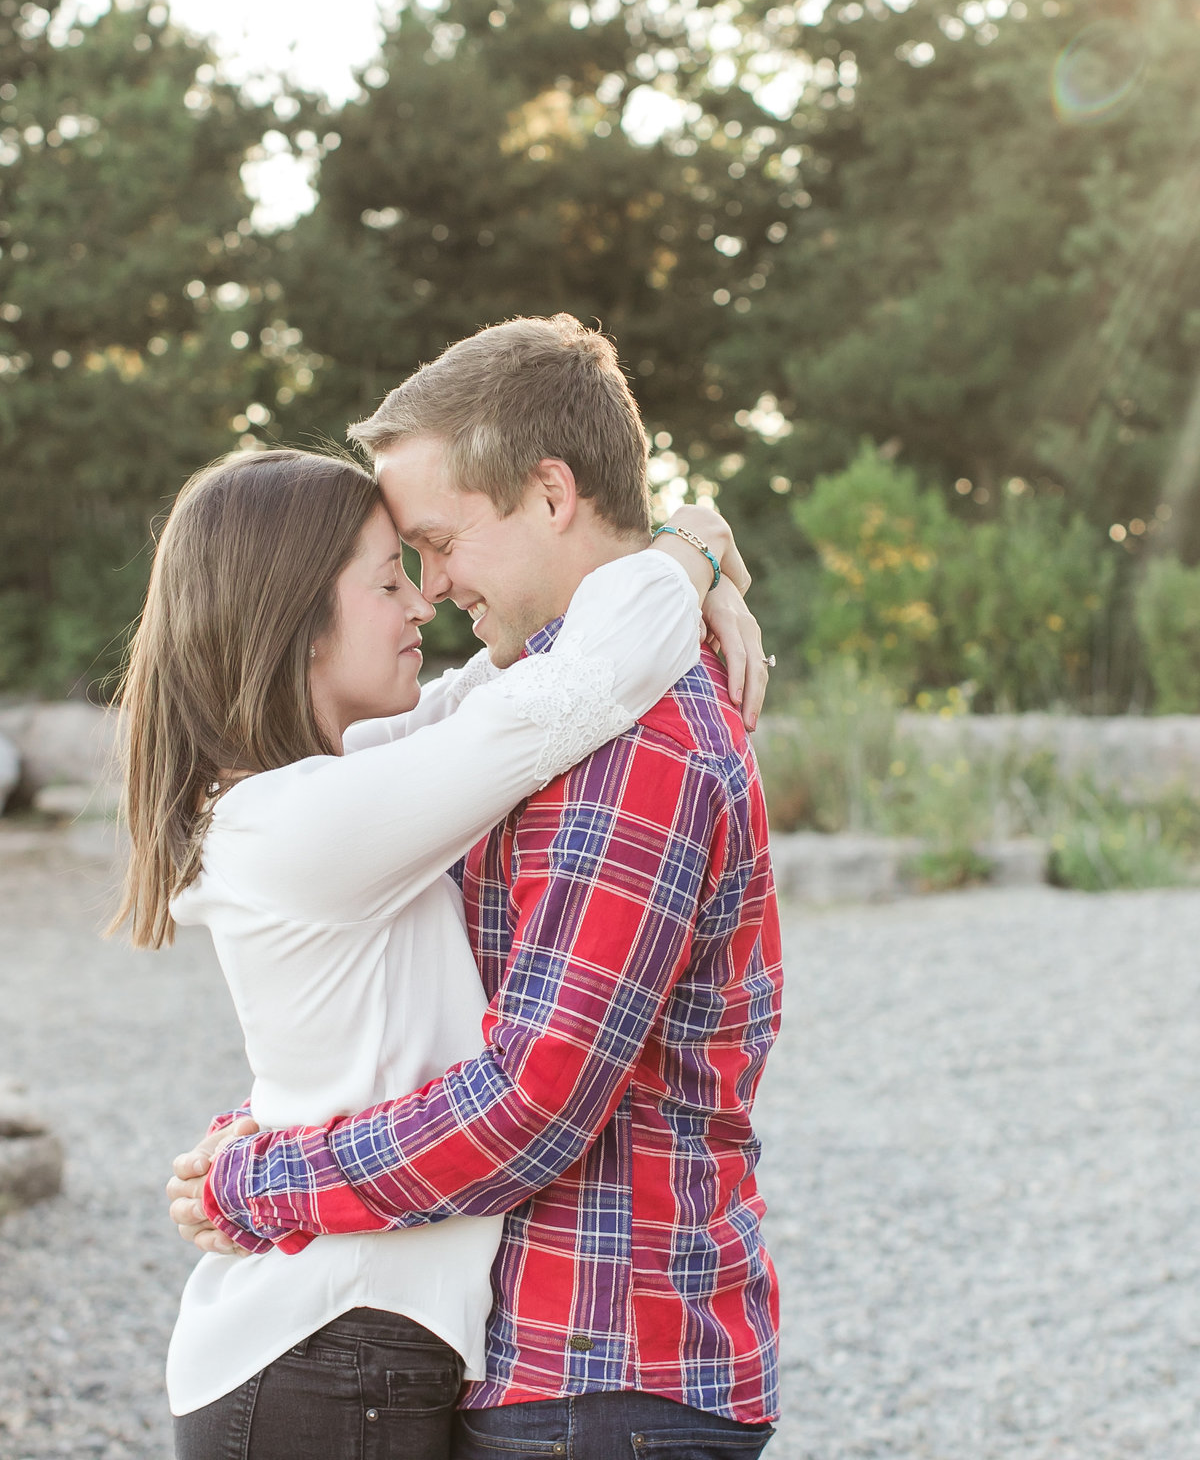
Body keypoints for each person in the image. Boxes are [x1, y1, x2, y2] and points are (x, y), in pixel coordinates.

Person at [170, 316, 784, 1460]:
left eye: (437, 545)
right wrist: (691, 553)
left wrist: (266, 1172)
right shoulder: (494, 730)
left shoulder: (628, 736)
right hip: (539, 1364)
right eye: (397, 569)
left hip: (600, 1374)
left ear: (550, 494)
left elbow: (528, 1105)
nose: (431, 589)